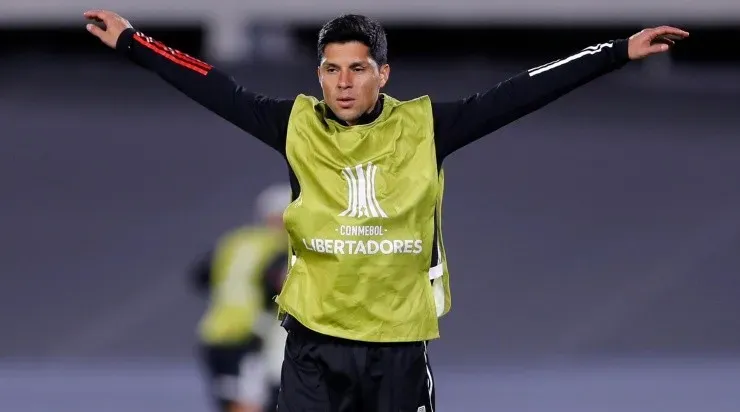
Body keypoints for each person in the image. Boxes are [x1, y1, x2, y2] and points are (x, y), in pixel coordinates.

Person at [83, 9, 689, 411]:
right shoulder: (293, 126)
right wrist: (135, 42)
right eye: (330, 69)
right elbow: (213, 84)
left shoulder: (427, 126)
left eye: (357, 69)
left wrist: (615, 52)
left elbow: (525, 88)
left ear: (383, 74)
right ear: (318, 74)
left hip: (396, 348)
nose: (342, 83)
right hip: (314, 346)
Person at [191, 184, 291, 412]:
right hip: (248, 334)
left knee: (231, 402)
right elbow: (275, 283)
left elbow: (200, 274)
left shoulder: (235, 241)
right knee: (252, 403)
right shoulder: (280, 246)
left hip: (214, 332)